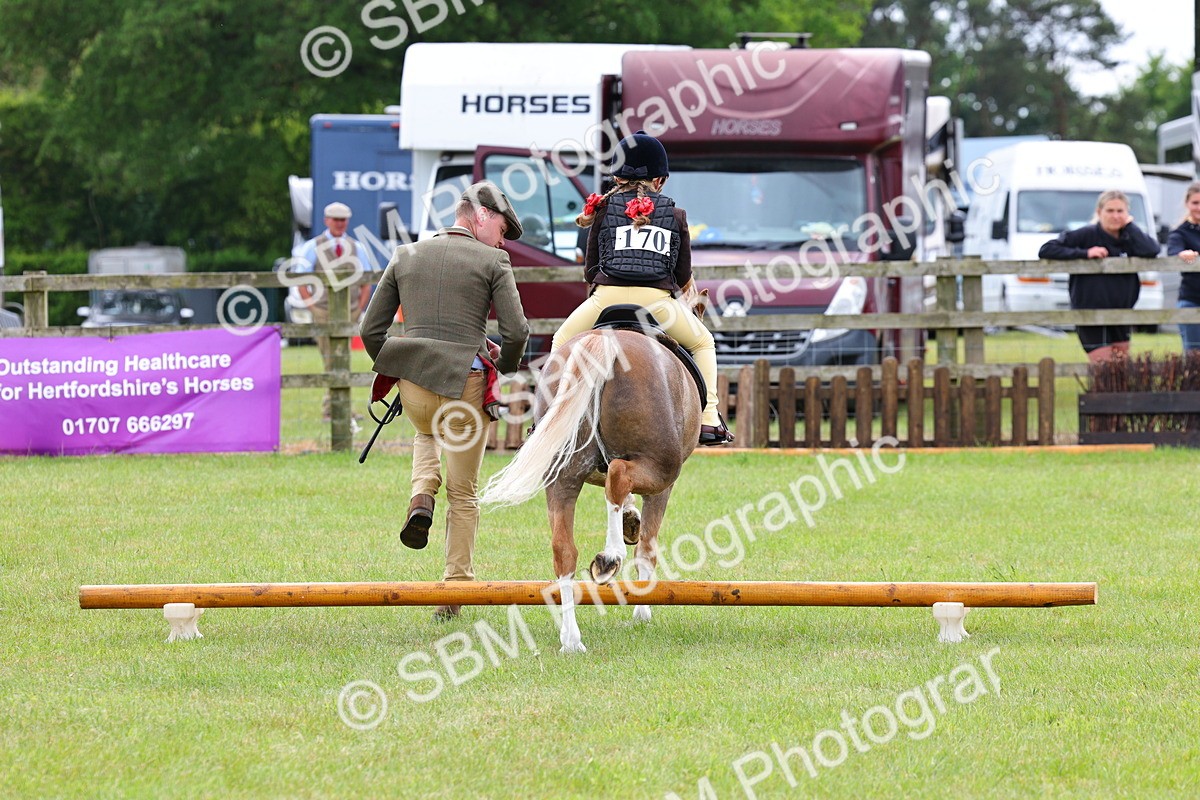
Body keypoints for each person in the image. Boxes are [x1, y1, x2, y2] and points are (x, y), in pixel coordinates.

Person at [360, 181, 529, 620]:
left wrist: (400, 360)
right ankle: (454, 589)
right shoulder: (493, 261)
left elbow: (370, 331)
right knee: (464, 494)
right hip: (465, 388)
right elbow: (517, 332)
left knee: (426, 433)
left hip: (415, 388)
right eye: (502, 230)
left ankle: (421, 495)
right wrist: (505, 365)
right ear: (482, 215)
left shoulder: (406, 254)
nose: (503, 241)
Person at [551, 131, 733, 445]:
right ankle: (708, 419)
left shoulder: (603, 210)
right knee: (704, 342)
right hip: (657, 303)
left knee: (561, 339)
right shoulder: (675, 215)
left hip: (606, 299)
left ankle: (550, 417)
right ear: (660, 180)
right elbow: (682, 274)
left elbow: (591, 270)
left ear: (617, 177)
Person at [1037, 189, 1160, 363]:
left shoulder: (1130, 237)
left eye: (1120, 211)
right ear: (1099, 212)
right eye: (1110, 211)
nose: (1115, 216)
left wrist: (1130, 226)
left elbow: (1152, 250)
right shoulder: (1086, 234)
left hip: (1121, 313)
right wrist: (1085, 253)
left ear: (1127, 213)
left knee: (1121, 368)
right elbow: (1047, 249)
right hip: (1090, 314)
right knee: (1105, 367)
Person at [292, 202, 373, 418]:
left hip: (349, 311)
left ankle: (337, 409)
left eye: (343, 220)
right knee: (330, 358)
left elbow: (367, 281)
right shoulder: (312, 247)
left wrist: (359, 308)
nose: (340, 223)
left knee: (342, 357)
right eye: (336, 219)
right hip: (323, 310)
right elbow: (300, 280)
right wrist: (313, 307)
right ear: (326, 221)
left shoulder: (357, 247)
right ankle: (336, 409)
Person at [1166, 180, 1200, 352]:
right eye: (1195, 202)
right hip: (1192, 299)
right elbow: (1173, 250)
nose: (1199, 207)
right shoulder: (1180, 231)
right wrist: (1182, 254)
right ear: (1187, 204)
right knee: (1194, 353)